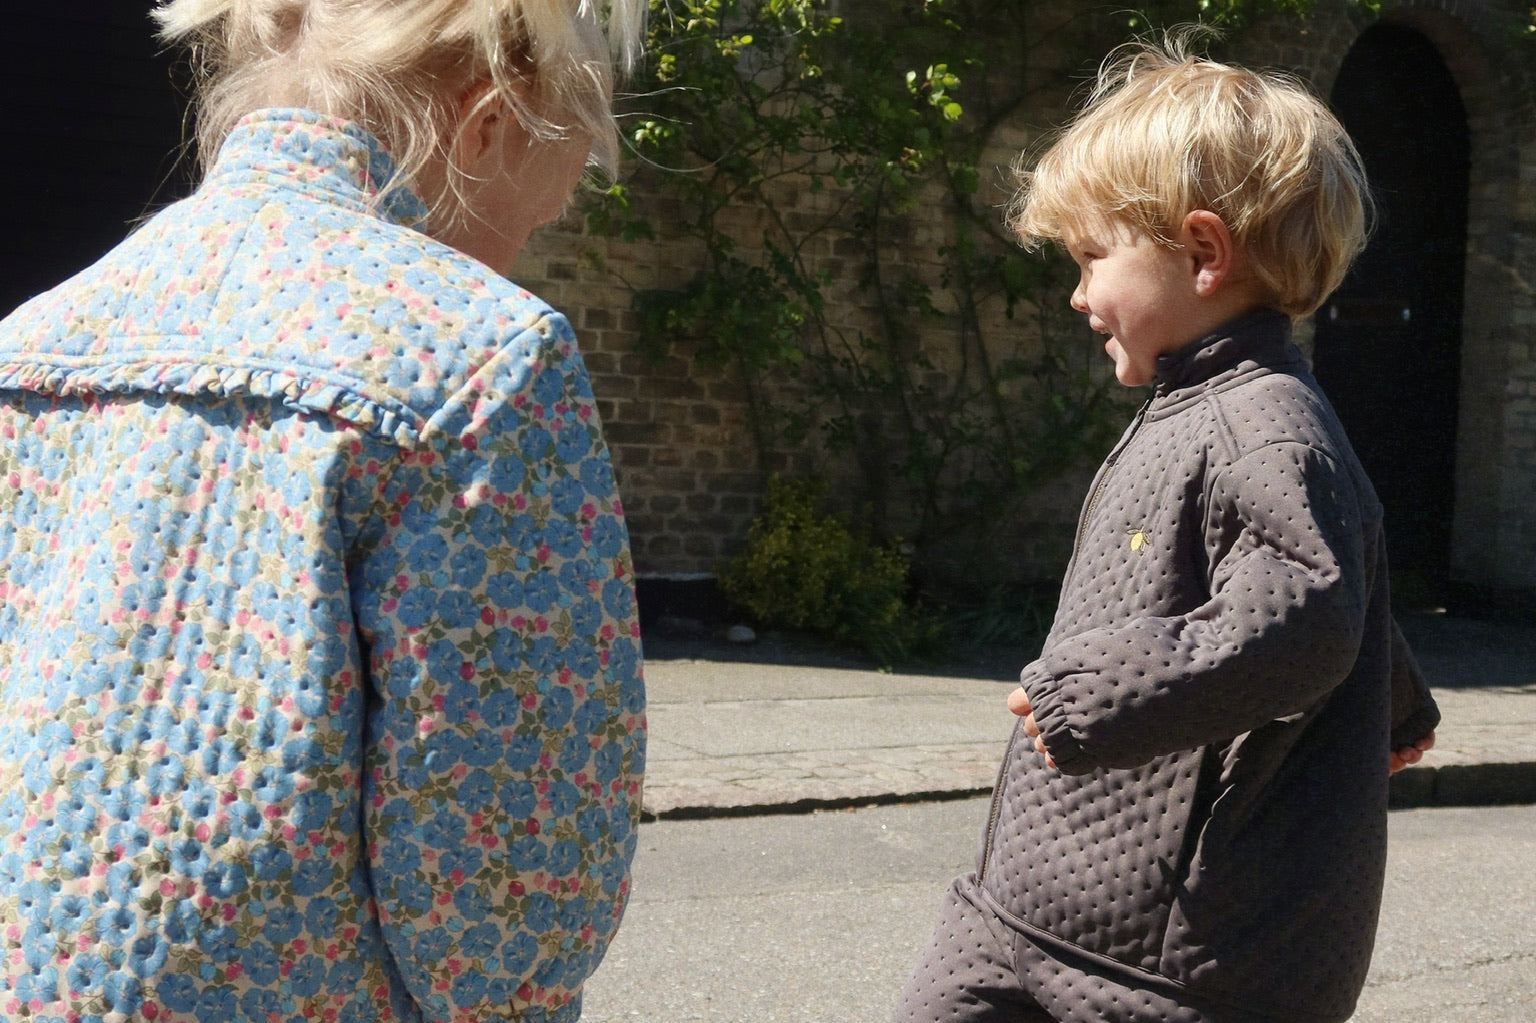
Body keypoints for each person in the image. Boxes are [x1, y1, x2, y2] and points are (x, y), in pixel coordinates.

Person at [0, 1, 646, 1020]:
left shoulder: (38, 338)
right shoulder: (482, 356)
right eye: (538, 213)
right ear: (482, 122)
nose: (518, 253)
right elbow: (507, 895)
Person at [894, 34, 1440, 1023]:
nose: (1077, 292)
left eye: (1093, 257)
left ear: (1201, 251)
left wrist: (1104, 692)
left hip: (1161, 958)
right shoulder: (1213, 407)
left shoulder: (1260, 422)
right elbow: (1340, 567)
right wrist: (1391, 704)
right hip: (1049, 907)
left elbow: (1310, 614)